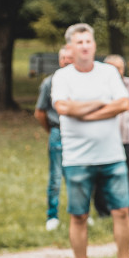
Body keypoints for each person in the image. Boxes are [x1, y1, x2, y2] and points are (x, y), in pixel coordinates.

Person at [52, 24, 129, 258]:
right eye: (78, 42)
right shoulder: (62, 76)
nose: (84, 46)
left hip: (112, 155)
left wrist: (84, 111)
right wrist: (102, 104)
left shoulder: (108, 72)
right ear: (70, 47)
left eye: (88, 41)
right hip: (77, 158)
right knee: (78, 215)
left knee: (122, 211)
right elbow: (63, 108)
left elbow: (123, 104)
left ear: (94, 45)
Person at [93, 54, 129, 217]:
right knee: (101, 176)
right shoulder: (98, 86)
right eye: (112, 68)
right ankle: (103, 211)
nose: (116, 72)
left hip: (125, 139)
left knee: (126, 175)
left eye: (119, 68)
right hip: (104, 139)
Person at [35, 46, 73, 231]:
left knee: (79, 175)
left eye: (70, 58)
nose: (67, 61)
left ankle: (81, 213)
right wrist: (51, 130)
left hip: (78, 133)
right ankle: (52, 215)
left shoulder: (81, 82)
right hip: (58, 131)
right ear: (60, 61)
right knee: (56, 176)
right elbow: (40, 112)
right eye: (64, 58)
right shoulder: (50, 82)